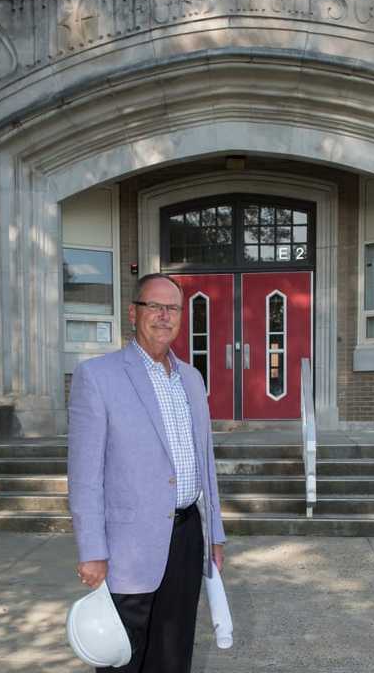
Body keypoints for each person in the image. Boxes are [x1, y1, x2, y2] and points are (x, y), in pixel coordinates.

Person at [68, 272, 226, 673]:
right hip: (128, 546)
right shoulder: (97, 376)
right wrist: (92, 551)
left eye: (171, 308)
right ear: (133, 313)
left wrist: (215, 536)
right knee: (124, 656)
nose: (163, 316)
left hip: (188, 535)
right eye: (153, 306)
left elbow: (205, 462)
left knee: (174, 653)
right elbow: (85, 475)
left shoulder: (192, 378)